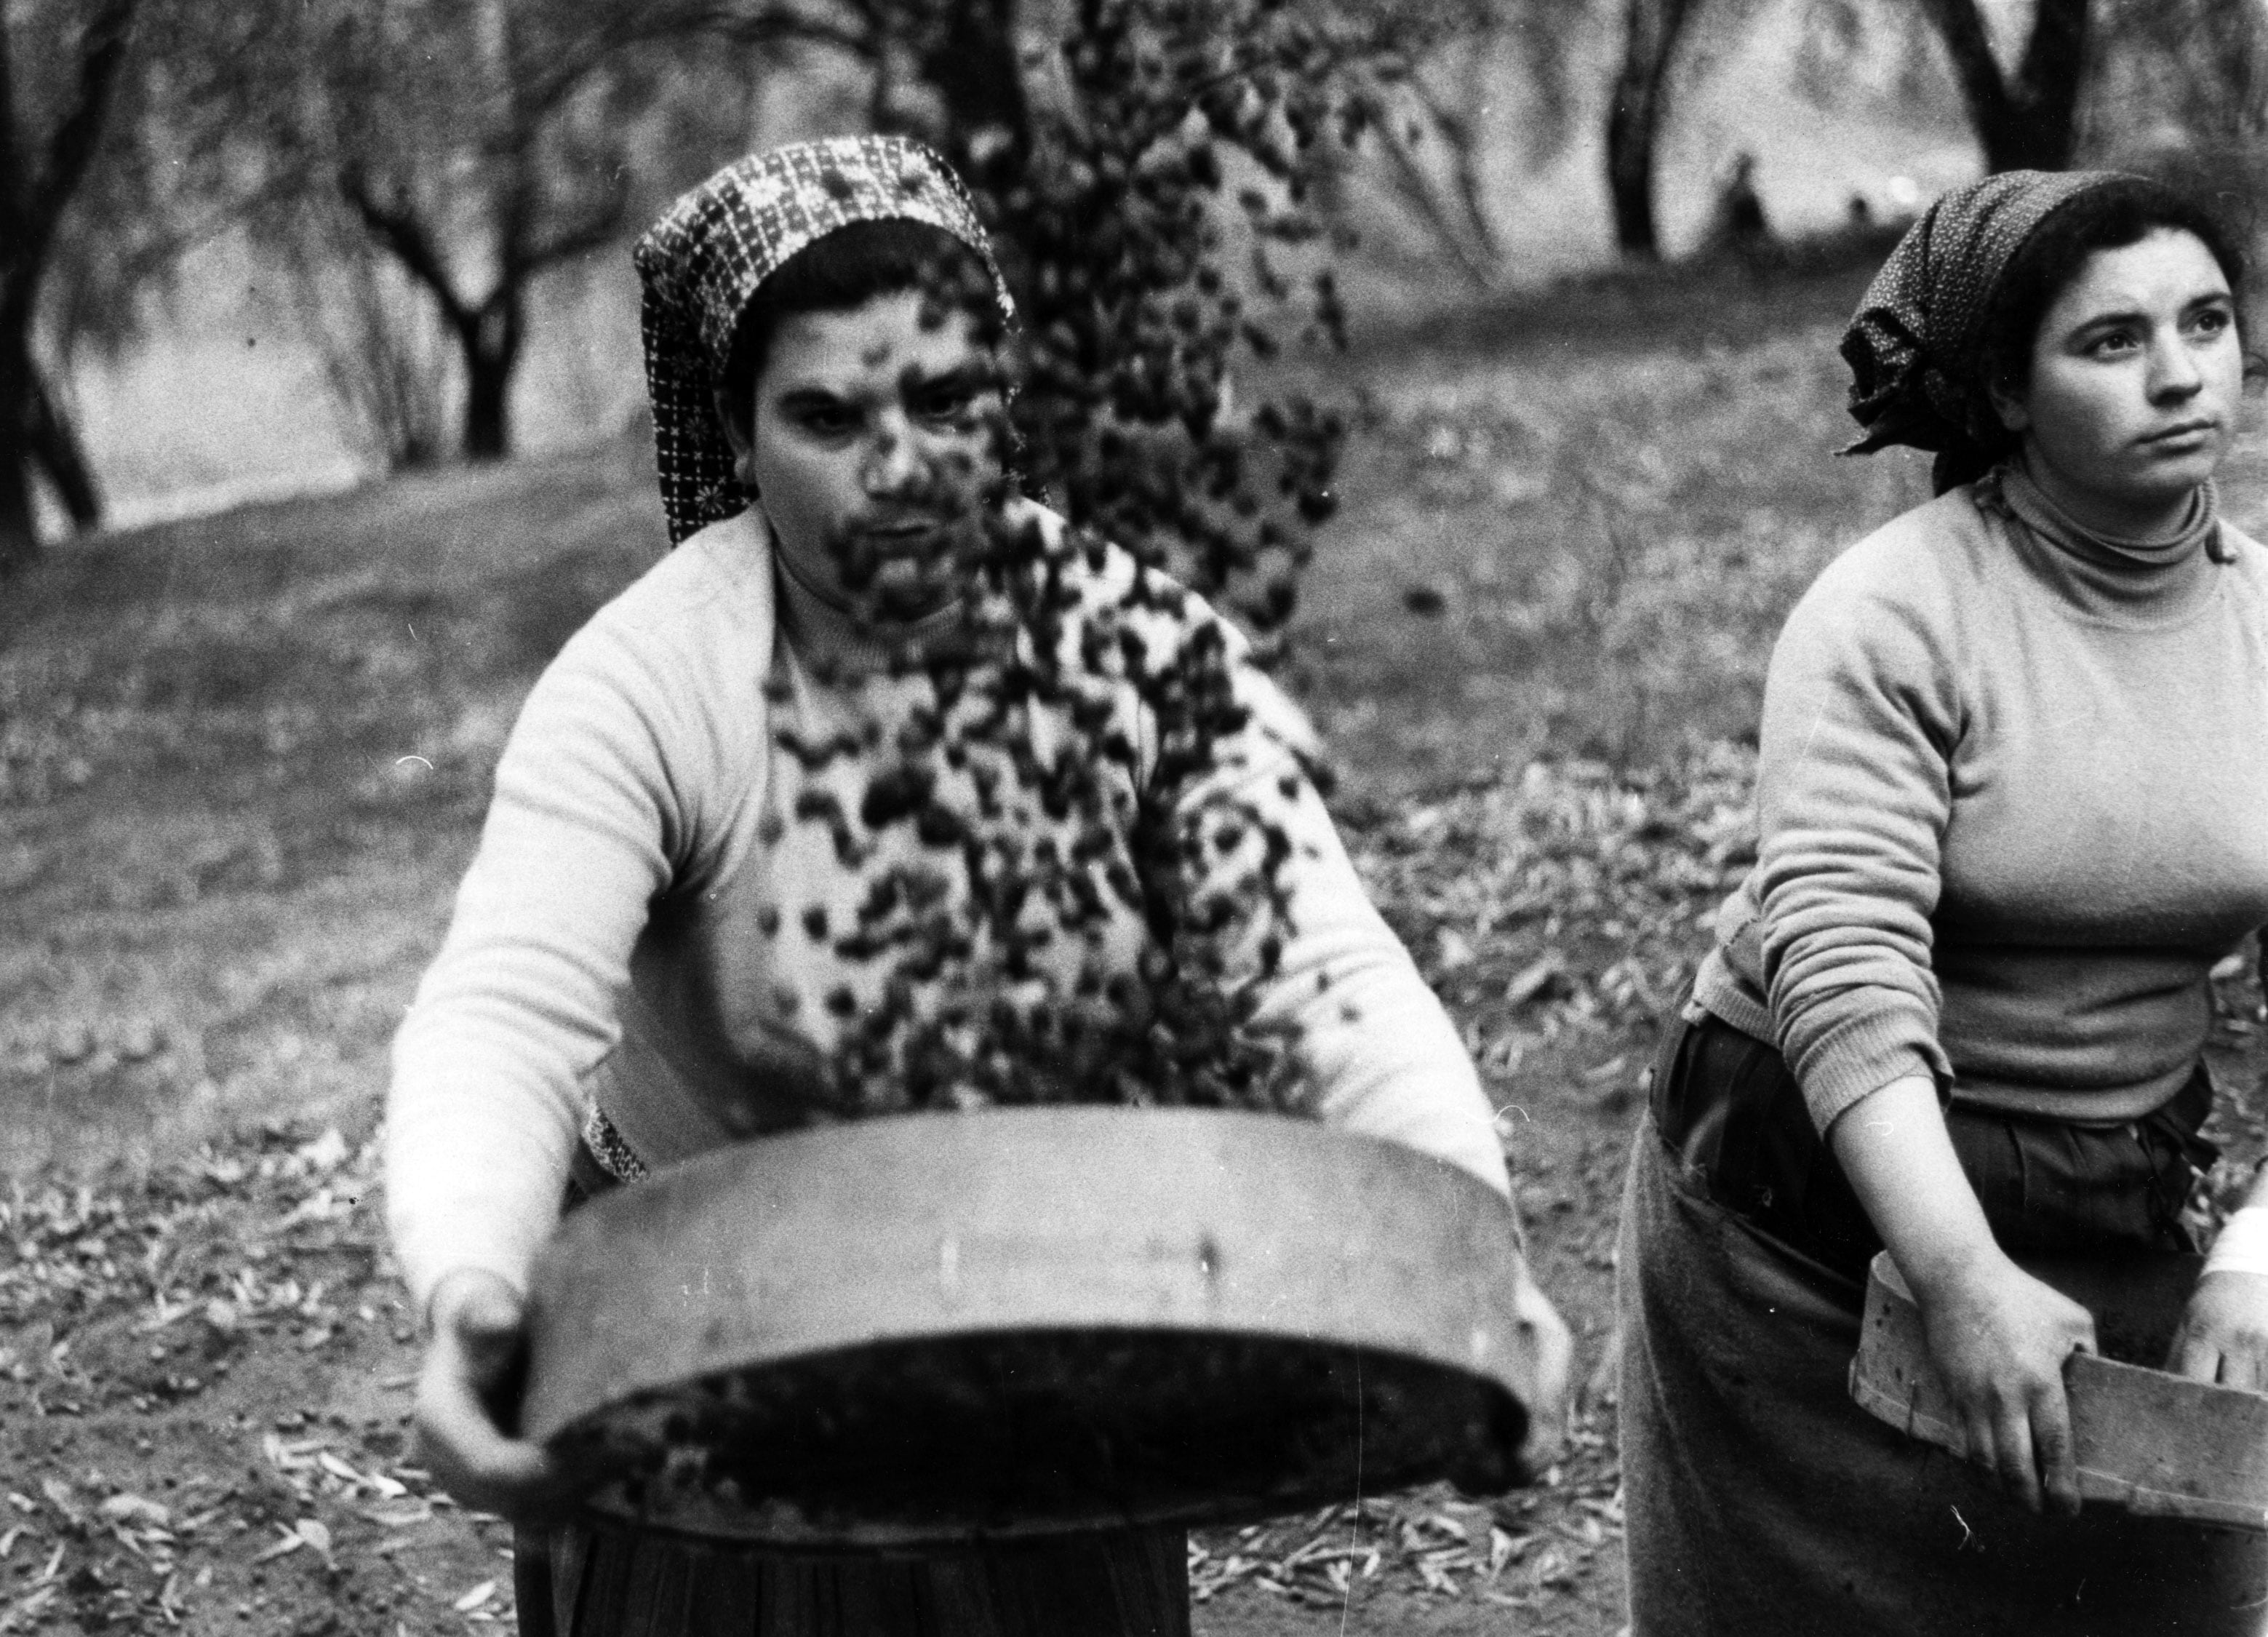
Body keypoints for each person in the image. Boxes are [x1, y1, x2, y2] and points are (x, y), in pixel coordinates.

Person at [384, 135, 1570, 1637]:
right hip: (704, 1367)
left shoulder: (1130, 653)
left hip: (1041, 1326)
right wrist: (474, 1285)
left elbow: (1317, 968)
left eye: (944, 402)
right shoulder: (649, 685)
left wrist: (1476, 1250)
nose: (899, 470)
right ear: (739, 438)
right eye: (827, 416)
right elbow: (501, 1015)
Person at [1616, 168, 2268, 1636]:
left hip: (2108, 1195)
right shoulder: (1892, 613)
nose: (2178, 374)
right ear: (2006, 393)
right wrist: (1956, 1271)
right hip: (1811, 1227)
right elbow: (1836, 963)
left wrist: (2250, 1258)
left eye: (2206, 322)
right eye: (2108, 342)